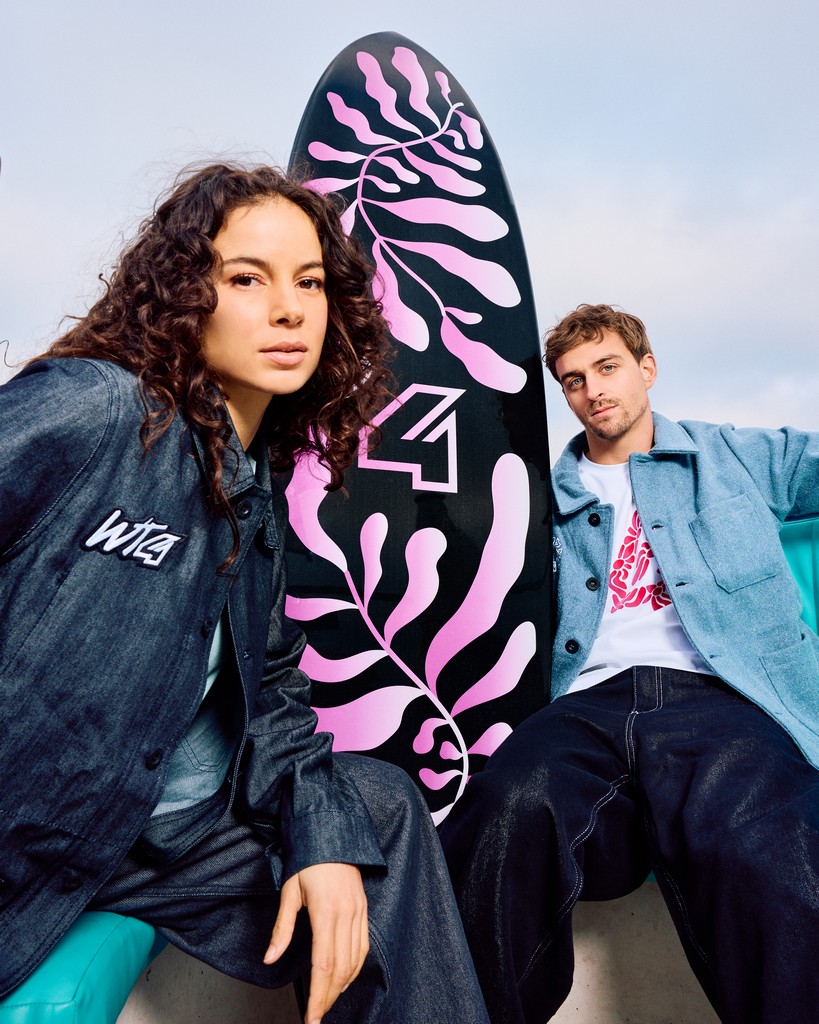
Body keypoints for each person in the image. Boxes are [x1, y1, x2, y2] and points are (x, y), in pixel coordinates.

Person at [0, 163, 490, 1024]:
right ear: (184, 296)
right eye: (246, 279)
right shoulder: (96, 409)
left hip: (163, 843)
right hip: (29, 838)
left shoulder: (254, 490)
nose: (289, 309)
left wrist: (324, 840)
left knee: (375, 810)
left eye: (309, 282)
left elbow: (272, 689)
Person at [440, 303, 819, 1024]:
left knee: (765, 846)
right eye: (573, 380)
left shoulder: (735, 456)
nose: (593, 390)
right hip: (587, 702)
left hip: (722, 694)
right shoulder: (539, 498)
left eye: (607, 367)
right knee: (502, 814)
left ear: (647, 368)